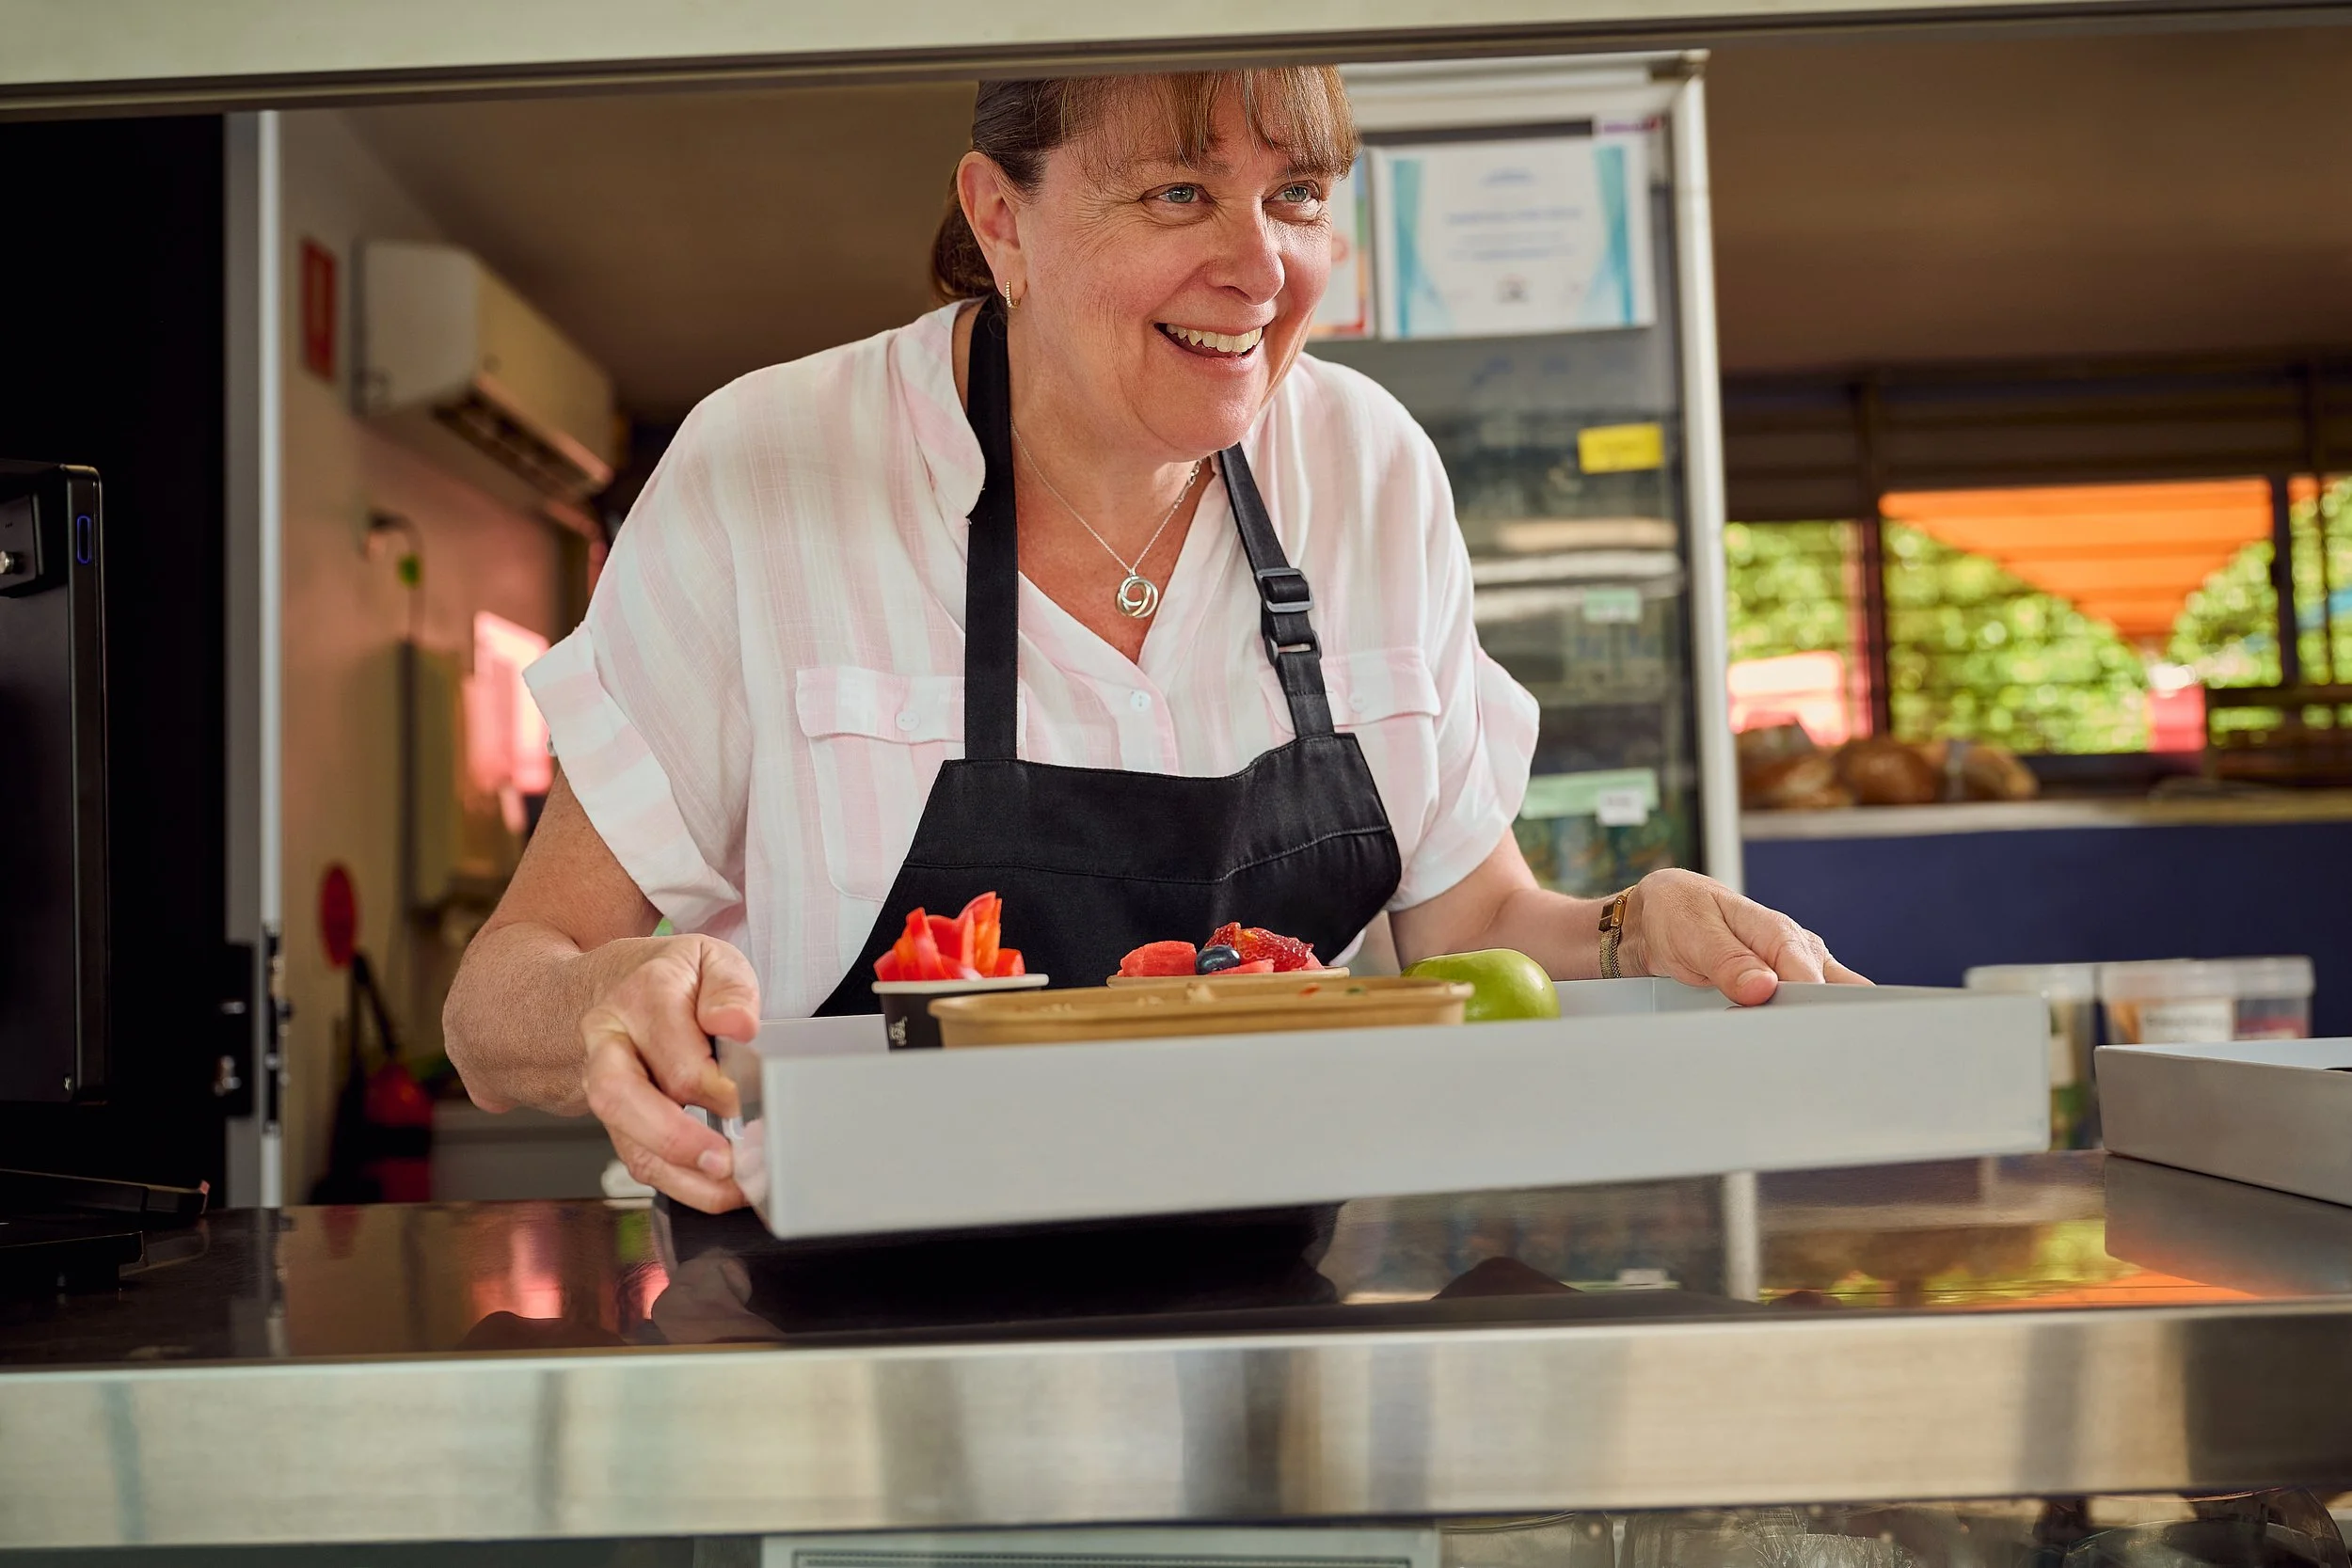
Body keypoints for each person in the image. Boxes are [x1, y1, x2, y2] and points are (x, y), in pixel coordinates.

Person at [444, 68, 1865, 1214]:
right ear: (1000, 219)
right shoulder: (765, 471)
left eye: (1295, 197)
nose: (1261, 268)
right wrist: (607, 996)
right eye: (1179, 192)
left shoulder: (1368, 469)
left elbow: (1471, 928)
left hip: (1269, 1320)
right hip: (836, 1325)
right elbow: (497, 1002)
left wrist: (1632, 926)